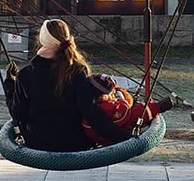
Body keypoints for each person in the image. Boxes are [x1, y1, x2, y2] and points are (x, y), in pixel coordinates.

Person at [13, 19, 134, 151]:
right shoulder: (77, 70)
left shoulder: (25, 74)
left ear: (42, 41)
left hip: (37, 143)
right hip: (75, 142)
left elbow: (18, 114)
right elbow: (91, 112)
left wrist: (10, 84)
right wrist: (124, 137)